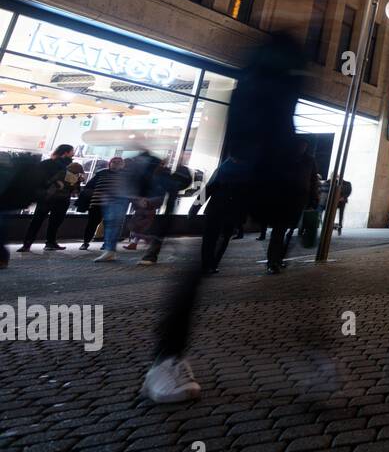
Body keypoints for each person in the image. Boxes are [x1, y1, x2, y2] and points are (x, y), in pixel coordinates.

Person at [143, 31, 310, 403]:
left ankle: (311, 350)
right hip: (245, 178)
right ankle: (165, 360)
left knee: (224, 260)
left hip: (259, 176)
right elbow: (257, 131)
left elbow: (274, 128)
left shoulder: (277, 77)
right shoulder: (265, 79)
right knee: (205, 259)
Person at [16, 145, 79, 253]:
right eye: (72, 151)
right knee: (47, 221)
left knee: (43, 221)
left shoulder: (65, 165)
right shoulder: (61, 164)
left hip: (53, 197)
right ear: (66, 153)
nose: (73, 153)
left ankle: (31, 244)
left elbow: (74, 181)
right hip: (54, 197)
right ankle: (43, 243)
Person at [79, 157, 124, 252]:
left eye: (118, 163)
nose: (116, 164)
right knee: (92, 223)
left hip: (113, 205)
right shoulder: (101, 173)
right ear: (110, 163)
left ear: (122, 165)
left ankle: (106, 244)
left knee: (110, 225)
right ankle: (86, 242)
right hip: (97, 203)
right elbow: (89, 186)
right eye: (114, 162)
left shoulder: (124, 176)